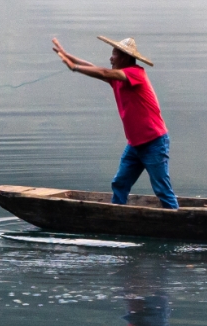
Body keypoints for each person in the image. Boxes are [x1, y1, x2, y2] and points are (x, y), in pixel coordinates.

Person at [53, 34, 175, 208]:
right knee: (120, 183)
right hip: (135, 144)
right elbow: (96, 68)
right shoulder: (116, 78)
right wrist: (67, 55)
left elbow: (103, 71)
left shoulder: (135, 73)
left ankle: (174, 218)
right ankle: (116, 214)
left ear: (125, 58)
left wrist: (74, 67)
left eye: (114, 54)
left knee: (162, 188)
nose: (111, 58)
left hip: (154, 141)